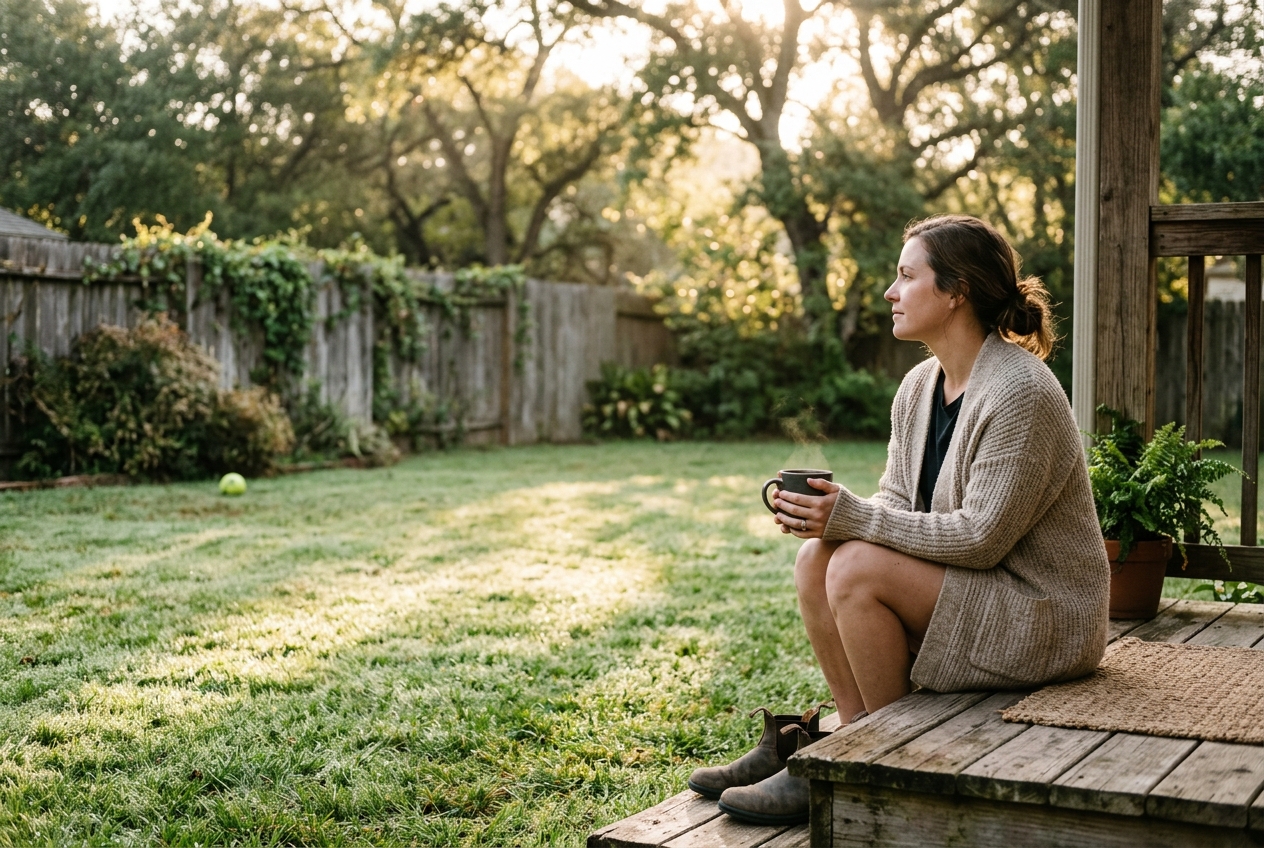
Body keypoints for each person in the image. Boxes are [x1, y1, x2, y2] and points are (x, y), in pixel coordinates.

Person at [696, 214, 1111, 826]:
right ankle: (855, 746)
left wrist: (856, 519)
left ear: (955, 291)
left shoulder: (1021, 391)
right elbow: (892, 504)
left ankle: (889, 765)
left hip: (1043, 612)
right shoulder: (919, 386)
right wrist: (832, 520)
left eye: (905, 276)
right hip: (978, 589)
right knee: (817, 559)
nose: (890, 292)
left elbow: (981, 538)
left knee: (857, 567)